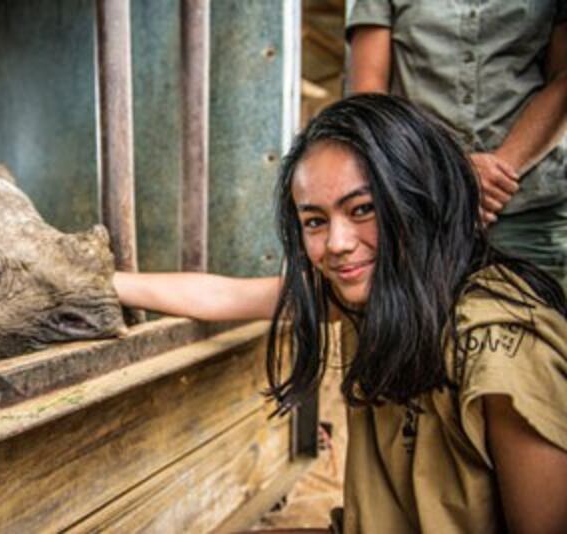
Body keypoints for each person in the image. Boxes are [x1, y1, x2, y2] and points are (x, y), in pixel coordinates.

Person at [113, 95, 567, 533]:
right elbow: (224, 297)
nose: (337, 243)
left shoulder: (502, 349)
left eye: (363, 209)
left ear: (421, 199)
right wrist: (101, 285)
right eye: (315, 221)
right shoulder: (374, 296)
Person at [347, 0, 567, 290]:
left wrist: (498, 172)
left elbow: (563, 79)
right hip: (423, 210)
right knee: (424, 329)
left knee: (539, 327)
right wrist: (451, 173)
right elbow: (368, 97)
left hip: (529, 210)